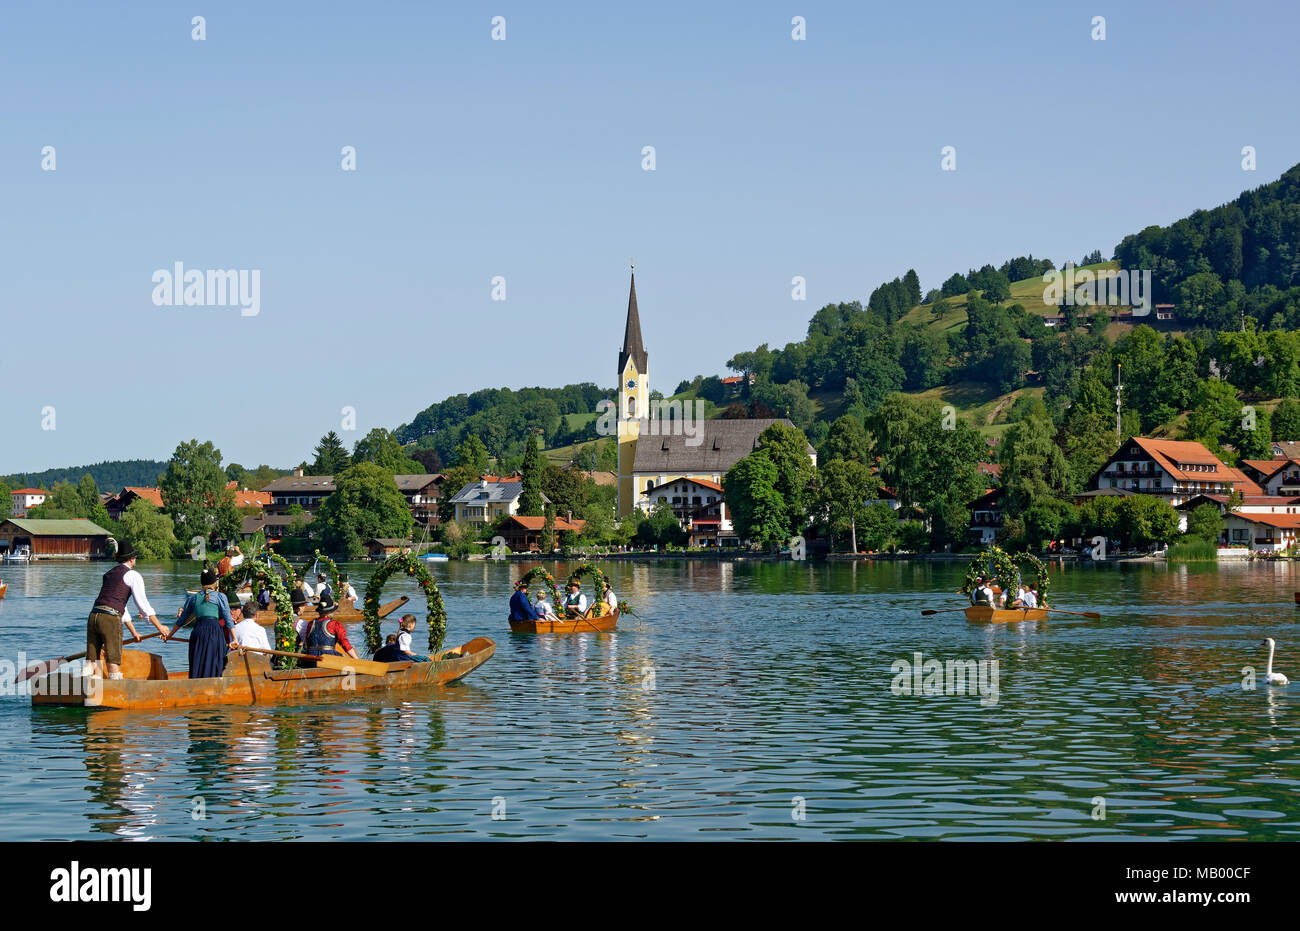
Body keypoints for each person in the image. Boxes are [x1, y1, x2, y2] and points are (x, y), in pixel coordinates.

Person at [84, 542, 169, 679]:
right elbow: (143, 605)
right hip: (110, 619)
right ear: (131, 559)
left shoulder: (109, 574)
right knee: (113, 659)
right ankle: (115, 691)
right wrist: (160, 626)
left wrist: (133, 632)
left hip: (94, 616)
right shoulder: (133, 575)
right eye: (135, 557)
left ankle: (89, 690)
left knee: (92, 661)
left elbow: (120, 606)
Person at [168, 568, 235, 679]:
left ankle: (197, 683)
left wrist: (170, 635)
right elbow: (228, 620)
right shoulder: (220, 597)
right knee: (215, 661)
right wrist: (235, 639)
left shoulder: (193, 598)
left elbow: (181, 620)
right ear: (214, 582)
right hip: (214, 631)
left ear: (201, 582)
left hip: (198, 631)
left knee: (198, 659)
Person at [296, 594, 358, 668]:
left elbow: (308, 642)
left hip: (311, 659)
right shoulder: (335, 624)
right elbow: (345, 644)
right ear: (332, 611)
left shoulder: (311, 624)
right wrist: (357, 660)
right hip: (327, 659)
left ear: (319, 611)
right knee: (343, 658)